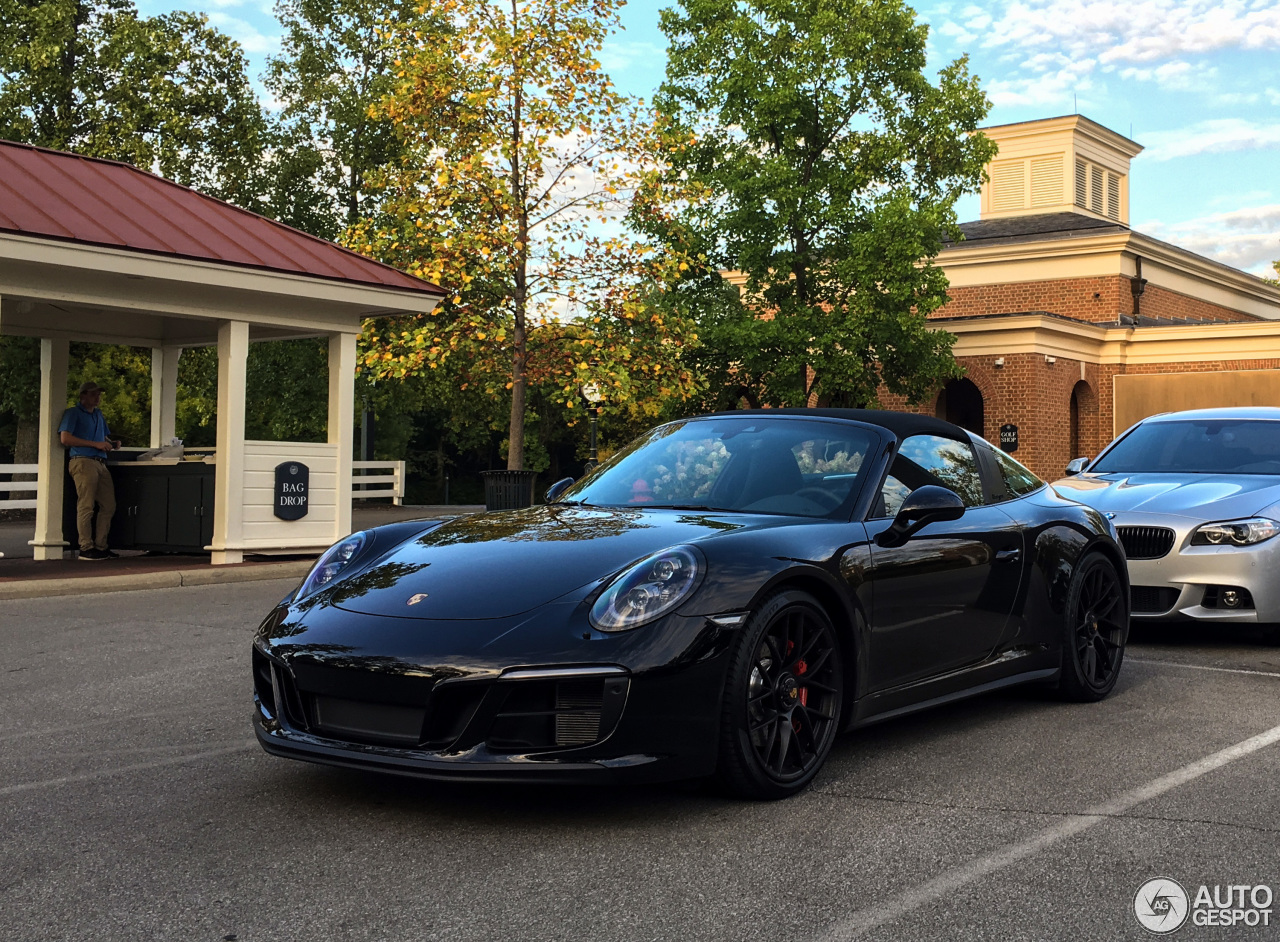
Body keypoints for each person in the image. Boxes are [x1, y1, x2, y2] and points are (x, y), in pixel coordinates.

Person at [58, 381, 121, 560]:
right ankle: (86, 546)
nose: (97, 398)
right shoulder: (73, 413)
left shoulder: (99, 415)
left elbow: (103, 436)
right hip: (83, 460)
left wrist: (111, 443)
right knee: (86, 505)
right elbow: (65, 438)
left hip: (100, 462)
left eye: (98, 394)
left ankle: (101, 546)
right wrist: (96, 444)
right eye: (93, 394)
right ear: (83, 396)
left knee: (108, 505)